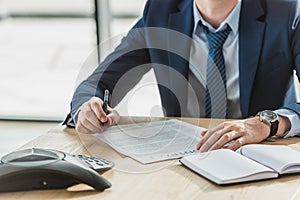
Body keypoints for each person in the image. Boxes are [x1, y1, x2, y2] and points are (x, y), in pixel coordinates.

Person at [64, 0, 300, 152]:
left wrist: (266, 123)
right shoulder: (161, 11)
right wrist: (88, 108)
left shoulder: (286, 12)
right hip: (184, 156)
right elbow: (97, 82)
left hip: (263, 154)